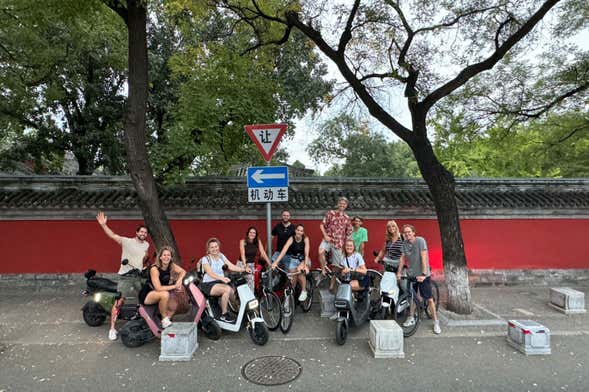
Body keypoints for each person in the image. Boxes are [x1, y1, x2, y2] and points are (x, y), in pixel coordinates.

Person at [96, 211, 149, 341]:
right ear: (136, 233)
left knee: (145, 298)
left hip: (138, 276)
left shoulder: (147, 245)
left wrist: (145, 265)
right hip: (126, 276)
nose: (143, 234)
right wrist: (103, 225)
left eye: (145, 232)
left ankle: (144, 321)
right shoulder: (127, 241)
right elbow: (113, 235)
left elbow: (144, 257)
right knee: (120, 300)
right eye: (141, 232)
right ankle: (112, 328)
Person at [397, 224, 441, 335]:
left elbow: (424, 257)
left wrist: (424, 274)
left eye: (409, 232)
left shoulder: (420, 241)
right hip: (412, 274)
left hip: (423, 274)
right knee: (412, 297)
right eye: (405, 232)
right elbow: (402, 259)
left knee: (429, 299)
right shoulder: (404, 244)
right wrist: (398, 272)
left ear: (413, 232)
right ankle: (411, 317)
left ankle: (436, 322)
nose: (407, 234)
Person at [200, 237, 251, 323]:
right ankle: (224, 315)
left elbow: (231, 266)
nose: (214, 249)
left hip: (219, 282)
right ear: (208, 249)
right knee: (226, 289)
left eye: (216, 246)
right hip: (208, 284)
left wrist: (243, 269)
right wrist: (222, 278)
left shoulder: (221, 256)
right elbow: (210, 273)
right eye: (212, 247)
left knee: (233, 292)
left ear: (218, 247)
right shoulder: (205, 259)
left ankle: (241, 312)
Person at [138, 246, 186, 329]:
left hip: (160, 292)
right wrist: (175, 286)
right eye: (164, 255)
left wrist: (179, 280)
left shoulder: (171, 265)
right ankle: (164, 320)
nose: (166, 257)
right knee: (165, 294)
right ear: (160, 257)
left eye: (168, 255)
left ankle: (165, 323)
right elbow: (158, 288)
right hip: (148, 294)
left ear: (171, 257)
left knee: (174, 304)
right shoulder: (154, 268)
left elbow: (183, 271)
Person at [271, 224, 311, 301]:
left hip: (303, 259)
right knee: (291, 279)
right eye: (298, 230)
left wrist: (305, 265)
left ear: (303, 232)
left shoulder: (305, 239)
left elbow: (306, 254)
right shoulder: (291, 239)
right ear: (295, 231)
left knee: (299, 272)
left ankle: (304, 290)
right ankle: (290, 299)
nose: (299, 232)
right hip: (293, 260)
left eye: (301, 231)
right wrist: (275, 262)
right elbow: (283, 251)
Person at [318, 197, 353, 276]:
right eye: (340, 203)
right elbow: (322, 225)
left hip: (338, 243)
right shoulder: (331, 213)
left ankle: (332, 285)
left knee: (336, 266)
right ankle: (323, 270)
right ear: (337, 204)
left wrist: (347, 245)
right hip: (328, 239)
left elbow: (349, 232)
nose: (342, 205)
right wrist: (325, 235)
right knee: (321, 252)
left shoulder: (347, 218)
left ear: (346, 206)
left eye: (344, 204)